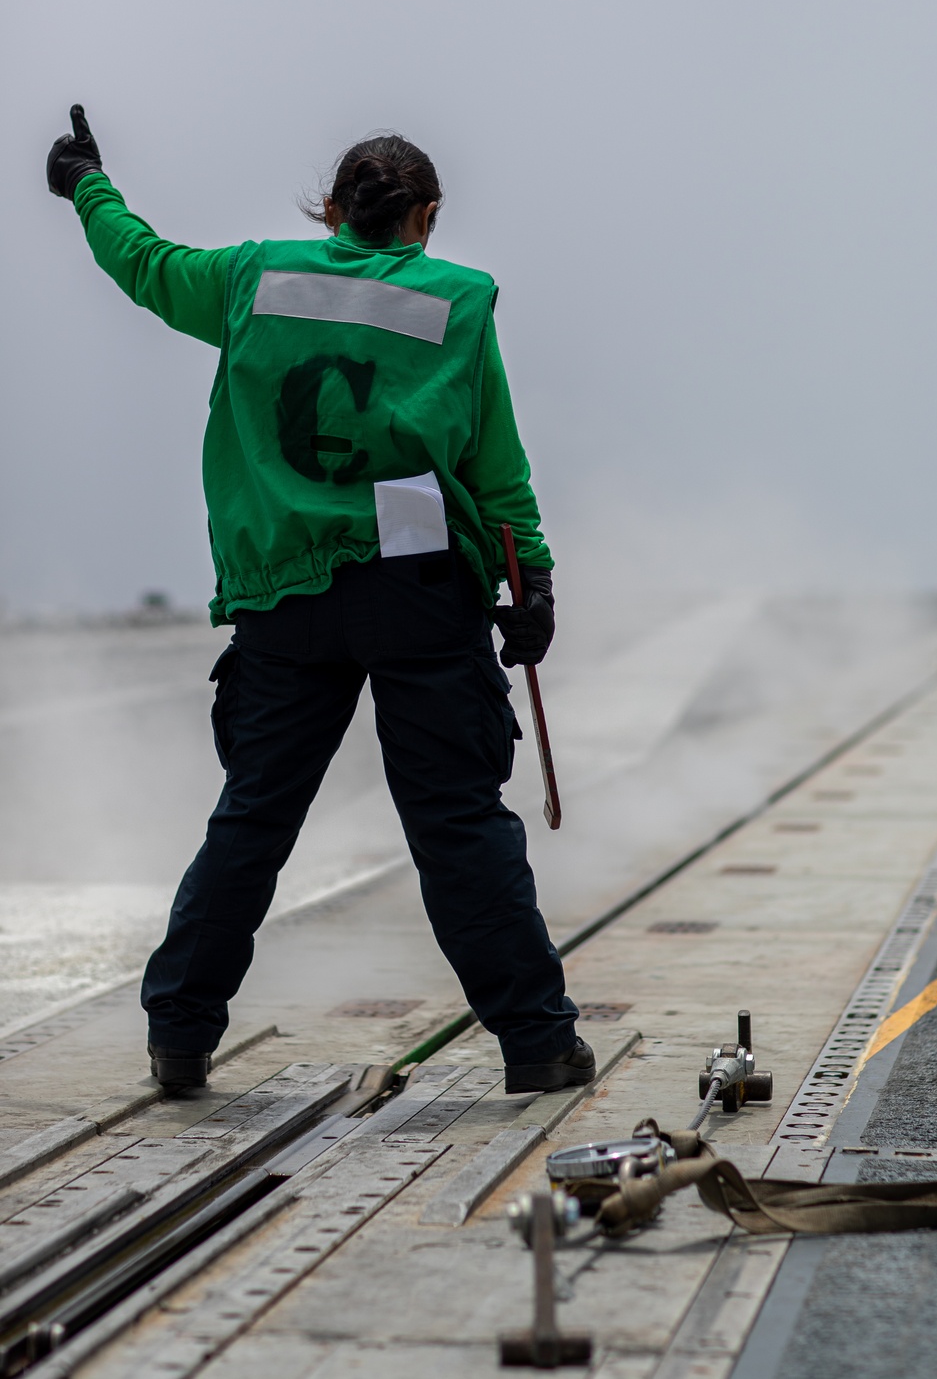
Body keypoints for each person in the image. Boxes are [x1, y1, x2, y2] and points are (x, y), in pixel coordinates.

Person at [46, 105, 593, 1097]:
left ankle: (178, 1037)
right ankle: (538, 1044)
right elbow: (494, 466)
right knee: (458, 825)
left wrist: (85, 180)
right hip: (418, 589)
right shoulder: (457, 301)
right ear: (425, 215)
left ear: (333, 208)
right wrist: (533, 583)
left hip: (285, 595)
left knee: (254, 818)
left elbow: (141, 261)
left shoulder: (252, 278)